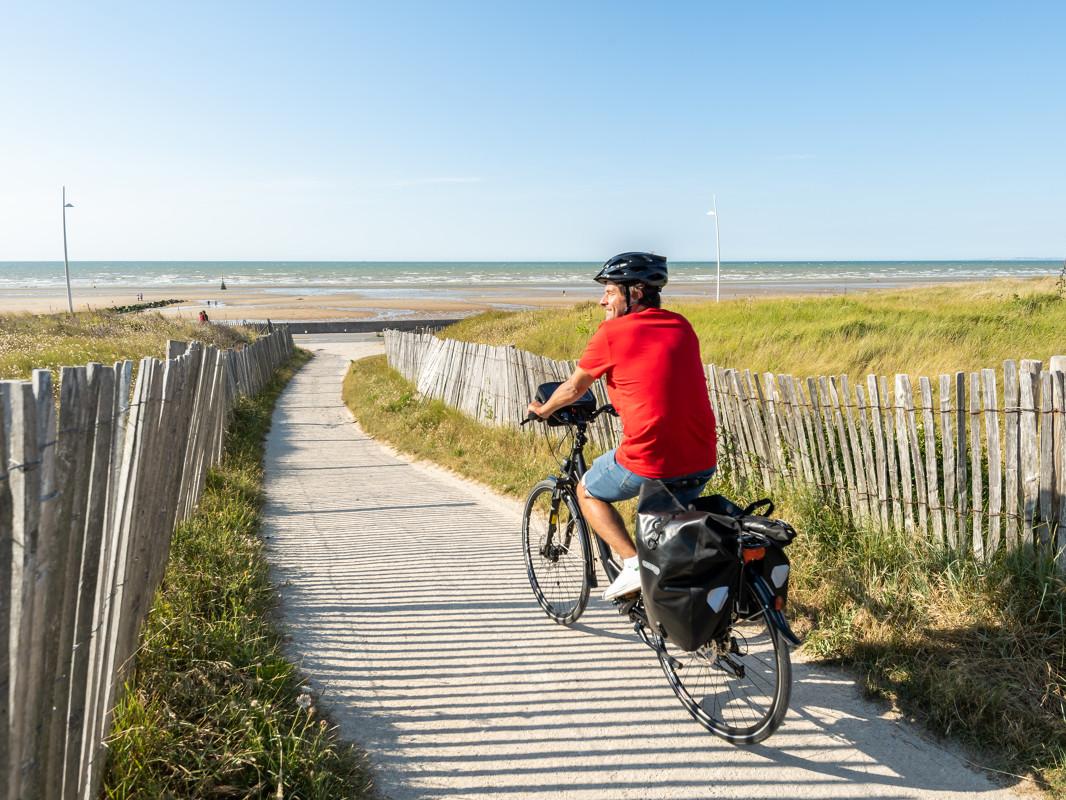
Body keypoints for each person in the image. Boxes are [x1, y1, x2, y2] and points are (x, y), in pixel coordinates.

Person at [527, 252, 717, 600]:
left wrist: (543, 410)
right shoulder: (682, 326)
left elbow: (573, 388)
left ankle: (631, 564)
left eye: (611, 292)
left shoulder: (612, 334)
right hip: (702, 458)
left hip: (651, 458)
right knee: (667, 532)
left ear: (637, 292)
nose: (603, 300)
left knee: (587, 490)